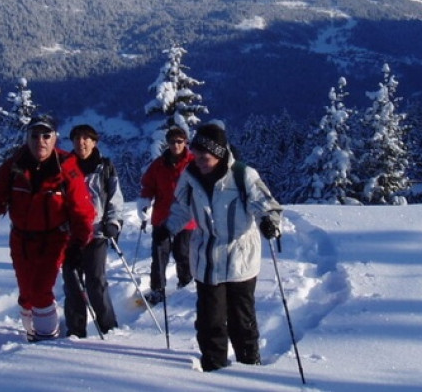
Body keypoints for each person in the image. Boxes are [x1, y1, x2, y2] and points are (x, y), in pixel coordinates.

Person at [165, 122, 283, 372]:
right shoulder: (190, 176)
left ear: (218, 154)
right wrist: (167, 228)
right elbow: (181, 209)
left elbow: (267, 206)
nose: (198, 161)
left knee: (242, 320)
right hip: (206, 259)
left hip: (240, 259)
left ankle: (249, 365)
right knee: (210, 321)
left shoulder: (243, 175)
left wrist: (269, 223)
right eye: (195, 156)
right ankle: (214, 368)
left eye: (204, 157)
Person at [0, 114, 95, 342]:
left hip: (54, 238)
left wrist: (79, 243)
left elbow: (83, 210)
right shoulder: (14, 166)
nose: (40, 140)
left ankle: (45, 340)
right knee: (26, 293)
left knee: (41, 290)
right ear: (27, 138)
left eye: (46, 135)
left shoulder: (67, 168)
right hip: (20, 238)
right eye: (34, 135)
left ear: (54, 139)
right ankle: (31, 332)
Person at [62, 124, 124, 337]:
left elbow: (115, 198)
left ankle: (109, 328)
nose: (82, 143)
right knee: (72, 283)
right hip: (71, 235)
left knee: (96, 280)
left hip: (97, 233)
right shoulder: (65, 167)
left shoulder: (105, 167)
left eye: (86, 139)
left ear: (94, 142)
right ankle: (75, 331)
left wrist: (113, 223)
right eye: (77, 139)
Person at [137, 126, 196, 305]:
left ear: (185, 142)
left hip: (186, 218)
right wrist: (145, 200)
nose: (176, 145)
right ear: (167, 143)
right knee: (159, 254)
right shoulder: (158, 165)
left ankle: (185, 284)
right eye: (172, 141)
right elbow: (148, 185)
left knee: (183, 253)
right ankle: (157, 289)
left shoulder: (193, 163)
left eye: (179, 141)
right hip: (162, 217)